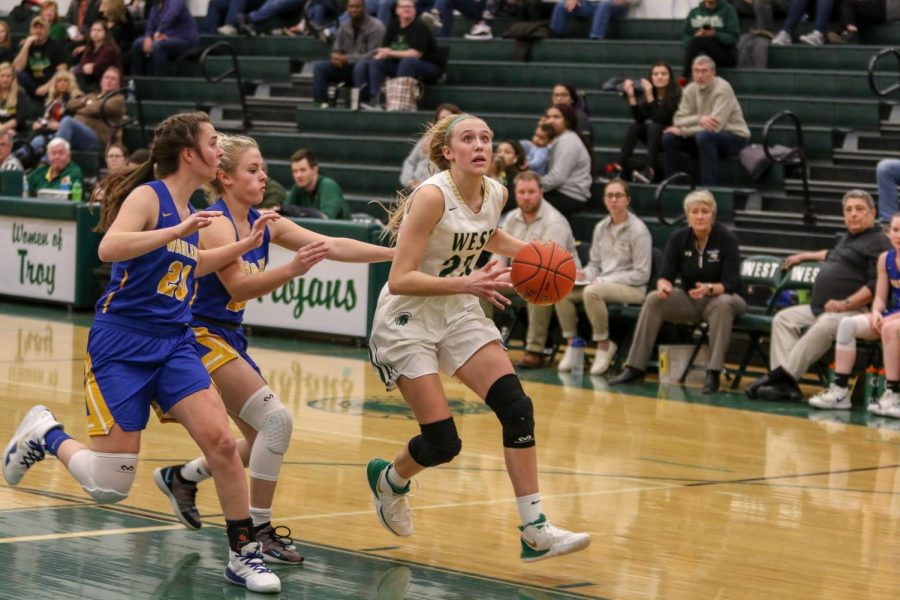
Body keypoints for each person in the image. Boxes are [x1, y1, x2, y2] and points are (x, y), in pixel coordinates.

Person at [3, 112, 282, 593]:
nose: (220, 149)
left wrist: (243, 246)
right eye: (213, 142)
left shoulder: (191, 206)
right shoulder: (148, 197)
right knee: (110, 486)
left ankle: (244, 555)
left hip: (174, 341)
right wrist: (176, 232)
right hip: (122, 342)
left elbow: (189, 267)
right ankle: (45, 433)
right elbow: (110, 248)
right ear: (189, 154)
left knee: (221, 444)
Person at [152, 134, 393, 563]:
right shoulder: (218, 223)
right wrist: (293, 269)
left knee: (256, 439)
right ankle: (259, 529)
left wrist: (396, 254)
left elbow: (332, 245)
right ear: (223, 176)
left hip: (228, 335)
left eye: (263, 167)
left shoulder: (266, 221)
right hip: (195, 333)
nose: (264, 175)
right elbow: (239, 285)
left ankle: (182, 477)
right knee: (277, 422)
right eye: (252, 169)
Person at [367, 112, 591, 560]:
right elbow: (399, 279)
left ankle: (534, 529)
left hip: (456, 309)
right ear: (448, 152)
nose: (480, 145)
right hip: (407, 319)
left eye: (486, 138)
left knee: (517, 408)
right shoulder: (431, 198)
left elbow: (486, 235)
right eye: (468, 138)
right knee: (443, 443)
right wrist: (466, 283)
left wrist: (542, 257)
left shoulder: (497, 192)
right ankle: (389, 480)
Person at [746, 190, 891, 402]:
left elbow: (875, 284)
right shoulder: (849, 238)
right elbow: (830, 255)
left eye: (859, 209)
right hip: (823, 307)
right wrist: (804, 256)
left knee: (826, 324)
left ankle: (778, 377)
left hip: (855, 311)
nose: (853, 214)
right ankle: (786, 386)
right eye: (848, 210)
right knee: (783, 319)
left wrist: (845, 303)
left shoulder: (878, 241)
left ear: (872, 213)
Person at [610, 189, 746, 394]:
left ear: (713, 215)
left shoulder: (727, 239)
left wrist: (710, 288)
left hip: (725, 298)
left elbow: (732, 282)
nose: (700, 216)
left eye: (705, 211)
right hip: (692, 299)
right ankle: (635, 368)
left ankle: (713, 373)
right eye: (695, 211)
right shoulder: (679, 238)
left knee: (723, 303)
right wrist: (664, 286)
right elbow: (666, 275)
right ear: (688, 215)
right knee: (654, 299)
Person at [484, 170, 580, 369]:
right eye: (521, 192)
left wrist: (511, 274)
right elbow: (499, 256)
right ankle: (485, 345)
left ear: (541, 192)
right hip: (517, 277)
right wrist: (493, 273)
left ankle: (535, 350)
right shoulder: (511, 217)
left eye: (531, 192)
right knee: (482, 286)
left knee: (540, 286)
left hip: (556, 279)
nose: (526, 197)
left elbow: (548, 266)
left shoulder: (555, 221)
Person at [555, 179, 652, 375]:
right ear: (605, 200)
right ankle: (573, 344)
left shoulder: (639, 230)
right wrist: (586, 274)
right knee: (561, 289)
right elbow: (595, 264)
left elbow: (642, 274)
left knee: (592, 291)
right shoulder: (600, 227)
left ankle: (604, 345)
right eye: (609, 196)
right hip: (602, 283)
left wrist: (603, 280)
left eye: (618, 195)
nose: (614, 200)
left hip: (634, 288)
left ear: (627, 200)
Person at [808, 212, 900, 414]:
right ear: (889, 232)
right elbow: (881, 297)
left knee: (891, 328)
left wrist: (889, 318)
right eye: (895, 230)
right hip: (892, 314)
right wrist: (876, 312)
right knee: (847, 325)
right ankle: (840, 391)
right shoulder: (886, 259)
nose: (898, 235)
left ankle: (893, 395)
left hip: (895, 319)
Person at [662, 56, 749, 188]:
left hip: (734, 138)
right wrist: (699, 118)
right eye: (696, 71)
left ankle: (709, 188)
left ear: (713, 73)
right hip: (701, 137)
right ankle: (673, 185)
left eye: (704, 71)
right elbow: (678, 119)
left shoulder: (723, 88)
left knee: (705, 137)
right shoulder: (690, 89)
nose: (699, 75)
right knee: (668, 138)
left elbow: (715, 127)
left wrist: (684, 131)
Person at [364, 0, 444, 110]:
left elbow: (415, 54)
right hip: (401, 64)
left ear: (415, 11)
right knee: (376, 63)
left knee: (407, 63)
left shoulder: (420, 26)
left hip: (429, 66)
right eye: (403, 7)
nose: (407, 9)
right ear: (397, 10)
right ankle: (376, 100)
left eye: (410, 7)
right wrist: (382, 54)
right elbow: (386, 47)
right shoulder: (393, 24)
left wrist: (389, 53)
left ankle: (402, 103)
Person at [613, 62, 681, 183]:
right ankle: (619, 167)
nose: (659, 77)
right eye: (655, 74)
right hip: (655, 137)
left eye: (663, 74)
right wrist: (631, 97)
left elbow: (661, 118)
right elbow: (640, 119)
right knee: (636, 127)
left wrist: (649, 96)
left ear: (670, 76)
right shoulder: (652, 94)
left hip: (672, 138)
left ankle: (650, 171)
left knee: (654, 126)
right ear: (651, 77)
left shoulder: (677, 94)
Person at [312, 0, 385, 108]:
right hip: (346, 69)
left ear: (364, 8)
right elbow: (337, 50)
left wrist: (347, 59)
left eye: (357, 7)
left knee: (360, 67)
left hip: (367, 71)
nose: (354, 9)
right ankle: (321, 104)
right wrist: (336, 58)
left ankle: (362, 104)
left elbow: (374, 54)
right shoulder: (344, 27)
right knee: (320, 67)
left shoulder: (377, 27)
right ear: (347, 9)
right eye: (351, 7)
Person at [54, 65, 124, 152]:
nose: (108, 81)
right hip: (77, 135)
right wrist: (85, 102)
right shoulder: (93, 95)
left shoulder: (118, 100)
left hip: (96, 140)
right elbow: (70, 104)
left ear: (119, 84)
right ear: (101, 81)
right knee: (40, 140)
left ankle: (52, 160)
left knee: (67, 121)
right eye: (106, 77)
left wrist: (80, 108)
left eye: (113, 79)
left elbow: (97, 109)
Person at [540, 103, 592, 217]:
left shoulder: (568, 141)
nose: (551, 121)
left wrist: (533, 184)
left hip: (570, 196)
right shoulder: (559, 139)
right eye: (548, 117)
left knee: (523, 198)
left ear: (567, 121)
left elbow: (557, 178)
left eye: (556, 117)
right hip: (561, 192)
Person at [400, 103, 462, 192]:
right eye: (441, 119)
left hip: (436, 189)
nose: (444, 122)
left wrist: (435, 151)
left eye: (448, 119)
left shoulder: (457, 144)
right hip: (414, 187)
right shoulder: (427, 138)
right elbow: (410, 161)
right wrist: (409, 181)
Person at [130, 0, 199, 77]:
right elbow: (150, 25)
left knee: (158, 46)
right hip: (165, 38)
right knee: (137, 44)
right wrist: (148, 37)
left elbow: (171, 15)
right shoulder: (155, 6)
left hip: (185, 40)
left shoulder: (176, 1)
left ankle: (160, 83)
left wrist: (159, 32)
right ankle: (137, 81)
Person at [282, 149, 351, 220]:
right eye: (295, 171)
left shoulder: (328, 185)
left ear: (314, 170)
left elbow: (326, 218)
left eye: (303, 170)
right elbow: (284, 212)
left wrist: (299, 211)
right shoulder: (298, 187)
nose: (298, 175)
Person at [13, 16, 67, 100]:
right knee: (17, 74)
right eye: (35, 28)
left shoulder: (55, 46)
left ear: (48, 31)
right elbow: (17, 68)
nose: (38, 31)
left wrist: (47, 87)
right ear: (31, 30)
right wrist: (26, 46)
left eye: (41, 28)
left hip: (49, 84)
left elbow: (62, 70)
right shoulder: (25, 45)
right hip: (30, 86)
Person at [681, 0, 739, 79]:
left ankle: (684, 77)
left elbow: (733, 38)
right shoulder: (694, 12)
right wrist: (696, 35)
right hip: (699, 53)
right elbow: (686, 40)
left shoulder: (728, 10)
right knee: (698, 40)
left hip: (724, 54)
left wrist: (714, 34)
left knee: (702, 40)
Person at [549, 0, 641, 41]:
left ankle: (596, 39)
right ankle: (555, 36)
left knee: (604, 4)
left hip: (614, 5)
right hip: (590, 5)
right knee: (561, 6)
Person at [72, 21, 121, 91]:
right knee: (75, 74)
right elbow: (82, 66)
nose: (95, 33)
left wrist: (91, 67)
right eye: (93, 30)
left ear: (105, 33)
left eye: (99, 30)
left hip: (104, 82)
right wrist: (86, 67)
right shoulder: (89, 48)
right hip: (90, 80)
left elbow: (97, 68)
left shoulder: (109, 50)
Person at [549, 83, 593, 157]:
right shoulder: (549, 117)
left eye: (564, 95)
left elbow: (585, 147)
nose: (559, 99)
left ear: (572, 99)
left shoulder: (581, 118)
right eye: (556, 95)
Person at [831, 0, 900, 44]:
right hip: (889, 7)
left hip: (890, 5)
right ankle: (845, 32)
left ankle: (851, 35)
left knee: (848, 4)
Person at [489, 139, 528, 209]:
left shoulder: (518, 178)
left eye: (507, 152)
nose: (501, 155)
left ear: (516, 158)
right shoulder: (488, 173)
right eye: (498, 151)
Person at [0, 62, 29, 137]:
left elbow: (20, 117)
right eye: (2, 76)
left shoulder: (20, 93)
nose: (5, 79)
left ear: (13, 78)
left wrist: (4, 128)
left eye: (8, 76)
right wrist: (3, 129)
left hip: (17, 132)